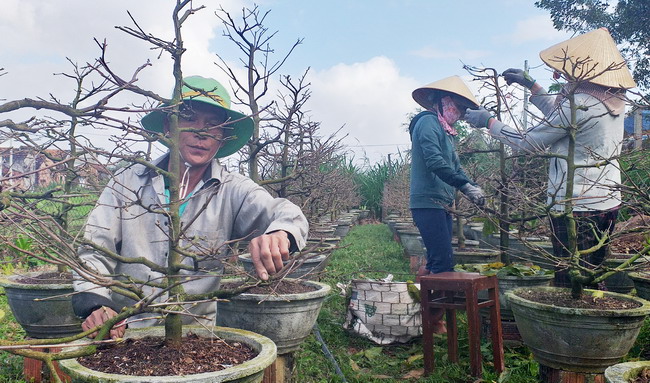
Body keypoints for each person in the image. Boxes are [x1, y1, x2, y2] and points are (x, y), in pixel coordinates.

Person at [72, 75, 309, 338]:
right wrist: (97, 303)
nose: (201, 133)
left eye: (213, 125)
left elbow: (285, 213)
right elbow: (95, 248)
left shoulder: (232, 190)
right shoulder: (126, 182)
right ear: (168, 126)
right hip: (127, 331)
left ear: (223, 137)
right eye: (189, 119)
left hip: (196, 334)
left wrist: (281, 234)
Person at [464, 28, 636, 287]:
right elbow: (563, 118)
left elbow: (527, 142)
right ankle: (592, 312)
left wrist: (489, 122)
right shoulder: (612, 97)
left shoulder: (579, 102)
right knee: (592, 270)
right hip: (606, 199)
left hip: (575, 204)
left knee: (570, 275)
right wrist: (532, 86)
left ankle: (573, 322)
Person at [409, 75, 486, 283]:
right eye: (458, 107)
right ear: (444, 101)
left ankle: (421, 307)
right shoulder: (427, 122)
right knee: (442, 263)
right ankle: (433, 311)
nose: (459, 114)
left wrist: (471, 186)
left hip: (442, 202)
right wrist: (464, 185)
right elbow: (434, 162)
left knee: (438, 260)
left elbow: (455, 167)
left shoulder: (446, 132)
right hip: (427, 202)